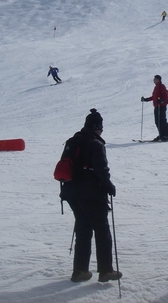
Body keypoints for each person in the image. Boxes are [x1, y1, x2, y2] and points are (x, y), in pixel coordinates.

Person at [59, 109, 122, 283]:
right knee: (102, 229)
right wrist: (108, 186)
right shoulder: (95, 143)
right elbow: (101, 169)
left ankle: (80, 271)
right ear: (97, 127)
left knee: (83, 228)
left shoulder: (73, 141)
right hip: (91, 193)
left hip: (71, 192)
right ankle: (106, 270)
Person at [141, 75, 168, 141]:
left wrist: (162, 100)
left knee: (162, 120)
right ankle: (162, 135)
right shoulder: (156, 87)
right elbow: (154, 97)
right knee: (157, 121)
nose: (153, 81)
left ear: (158, 80)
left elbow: (165, 95)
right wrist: (146, 99)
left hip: (161, 106)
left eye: (154, 79)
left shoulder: (162, 86)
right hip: (157, 106)